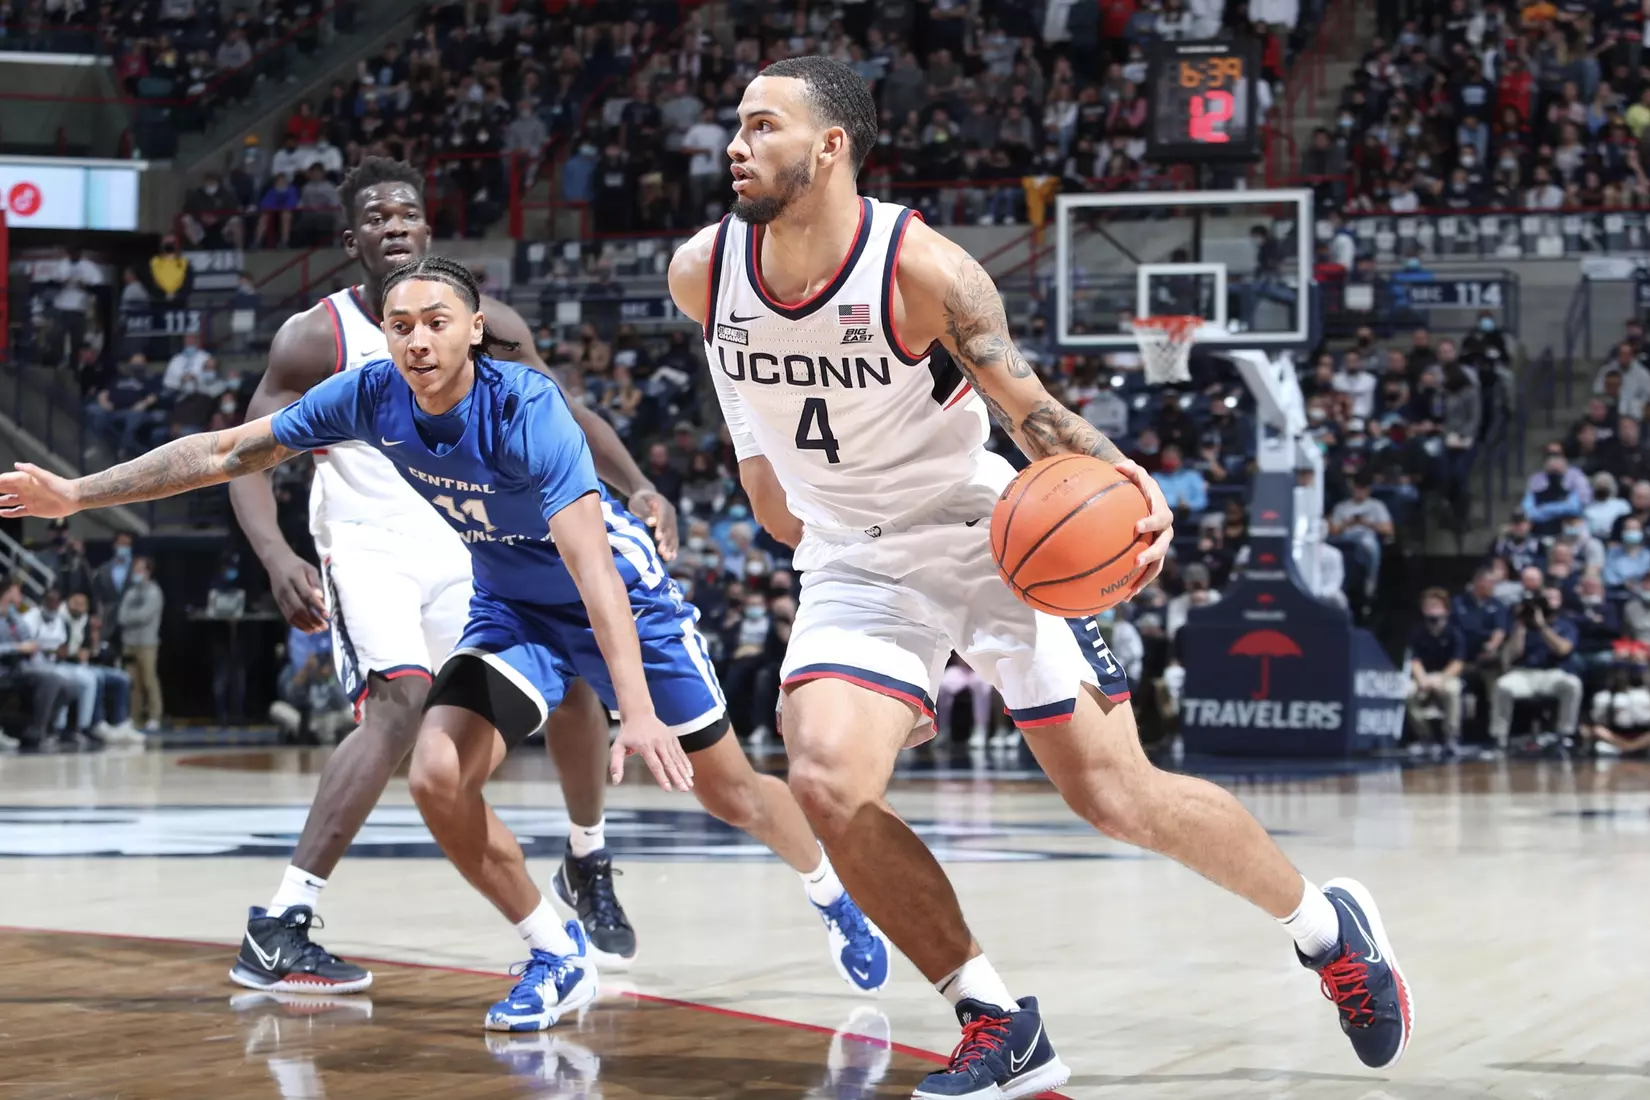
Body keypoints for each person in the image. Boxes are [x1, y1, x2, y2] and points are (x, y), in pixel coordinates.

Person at [668, 56, 1412, 1098]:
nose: (735, 146)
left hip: (986, 534)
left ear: (831, 147)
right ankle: (995, 1019)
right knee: (826, 783)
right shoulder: (704, 269)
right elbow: (742, 394)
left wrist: (1128, 483)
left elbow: (1029, 412)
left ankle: (1329, 932)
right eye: (737, 125)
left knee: (1115, 796)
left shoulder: (923, 269)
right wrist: (766, 476)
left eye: (762, 126)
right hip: (852, 554)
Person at [0, 256, 890, 1032]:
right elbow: (227, 452)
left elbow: (595, 573)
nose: (418, 340)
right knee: (434, 772)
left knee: (730, 792)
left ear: (474, 329)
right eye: (401, 326)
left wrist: (639, 712)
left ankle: (830, 891)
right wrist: (77, 495)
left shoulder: (528, 408)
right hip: (512, 606)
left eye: (436, 322)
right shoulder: (370, 393)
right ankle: (555, 951)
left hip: (620, 602)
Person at [222, 157, 682, 988]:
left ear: (427, 231)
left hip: (468, 542)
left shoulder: (484, 321)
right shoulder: (315, 337)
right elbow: (243, 455)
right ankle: (281, 921)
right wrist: (277, 553)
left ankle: (587, 857)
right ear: (352, 239)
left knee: (570, 686)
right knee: (398, 705)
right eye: (375, 216)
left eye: (406, 213)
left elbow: (561, 412)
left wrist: (638, 483)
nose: (393, 225)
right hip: (366, 545)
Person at [1406, 588, 1466, 756]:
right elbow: (1414, 660)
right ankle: (1425, 738)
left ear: (1446, 610)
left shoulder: (1455, 632)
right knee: (1408, 692)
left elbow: (1458, 663)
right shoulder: (1417, 632)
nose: (1432, 610)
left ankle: (1451, 738)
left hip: (1447, 676)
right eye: (1428, 606)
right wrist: (1422, 679)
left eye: (1436, 606)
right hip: (1424, 676)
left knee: (1453, 690)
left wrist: (1441, 680)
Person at [118, 556, 164, 731]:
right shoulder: (130, 593)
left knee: (148, 680)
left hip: (147, 643)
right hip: (129, 643)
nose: (136, 572)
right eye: (134, 569)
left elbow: (144, 616)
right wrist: (131, 617)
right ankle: (134, 717)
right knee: (132, 683)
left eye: (140, 569)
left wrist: (130, 617)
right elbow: (121, 617)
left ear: (148, 572)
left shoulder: (154, 592)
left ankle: (154, 716)